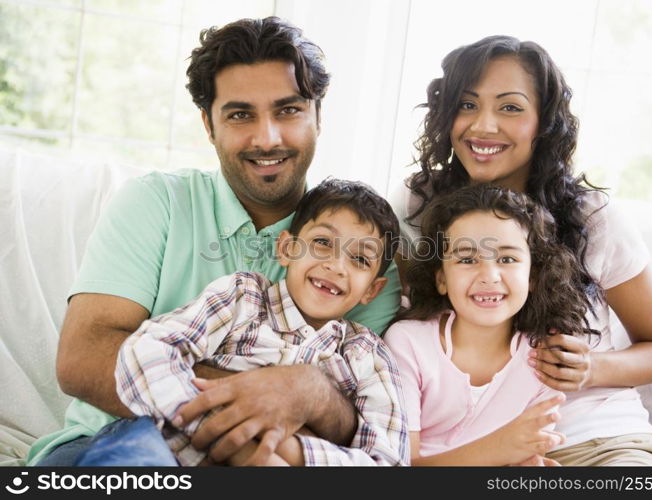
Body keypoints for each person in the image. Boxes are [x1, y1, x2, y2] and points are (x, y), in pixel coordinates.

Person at [27, 16, 400, 466]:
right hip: (119, 437)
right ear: (208, 124)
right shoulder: (157, 202)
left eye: (288, 110)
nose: (268, 137)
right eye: (241, 114)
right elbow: (82, 360)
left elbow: (362, 415)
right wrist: (245, 400)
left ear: (318, 116)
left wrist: (312, 391)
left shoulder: (369, 263)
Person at [390, 35, 652, 466]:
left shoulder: (591, 216)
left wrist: (591, 368)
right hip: (472, 452)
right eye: (467, 104)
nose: (483, 126)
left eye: (510, 107)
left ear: (544, 121)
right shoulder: (417, 202)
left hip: (593, 442)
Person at [75, 178, 408, 466]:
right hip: (166, 444)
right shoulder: (243, 297)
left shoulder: (366, 355)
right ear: (287, 249)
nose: (336, 265)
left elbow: (388, 460)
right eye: (323, 242)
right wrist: (227, 434)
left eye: (360, 259)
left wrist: (291, 452)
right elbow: (147, 349)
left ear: (373, 289)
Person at [385, 184, 596, 465]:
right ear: (441, 278)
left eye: (507, 259)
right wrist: (499, 448)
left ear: (532, 275)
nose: (489, 275)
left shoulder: (545, 359)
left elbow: (521, 457)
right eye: (467, 259)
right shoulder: (408, 343)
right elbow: (400, 466)